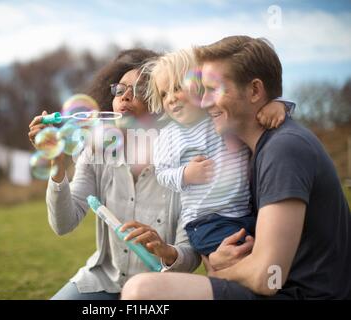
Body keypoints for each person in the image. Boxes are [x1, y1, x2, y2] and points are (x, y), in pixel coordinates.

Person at [121, 36, 351, 300]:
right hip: (271, 278)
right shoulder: (260, 147)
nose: (204, 101)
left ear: (255, 91)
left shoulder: (284, 149)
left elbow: (266, 276)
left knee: (142, 291)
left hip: (297, 294)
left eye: (212, 89)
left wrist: (219, 272)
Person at [28, 49, 201, 300]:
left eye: (140, 90)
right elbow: (63, 224)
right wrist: (57, 159)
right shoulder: (96, 152)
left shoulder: (184, 166)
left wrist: (166, 250)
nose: (125, 97)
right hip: (104, 281)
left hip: (160, 289)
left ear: (161, 105)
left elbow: (191, 256)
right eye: (120, 90)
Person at [143, 49, 294, 257]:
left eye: (177, 88)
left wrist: (278, 105)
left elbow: (252, 113)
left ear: (198, 85)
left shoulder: (220, 116)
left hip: (243, 213)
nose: (170, 99)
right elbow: (161, 173)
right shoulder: (168, 136)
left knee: (275, 246)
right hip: (206, 221)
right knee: (247, 255)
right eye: (163, 94)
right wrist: (185, 174)